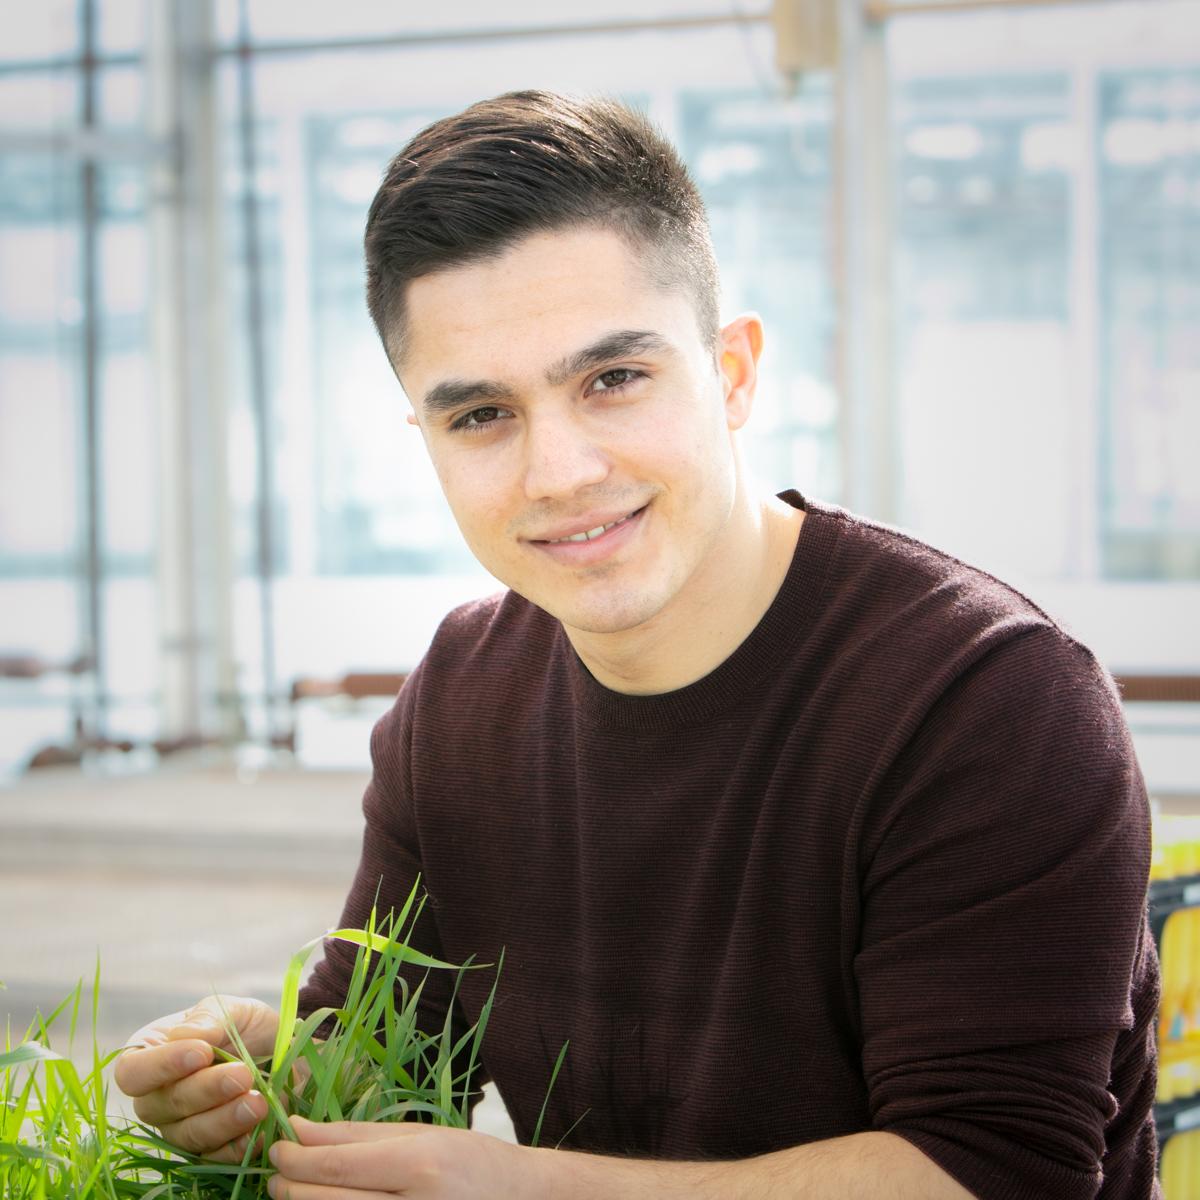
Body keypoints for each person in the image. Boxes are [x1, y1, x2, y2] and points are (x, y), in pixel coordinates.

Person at [116, 90, 1160, 1200]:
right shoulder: (461, 697)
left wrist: (527, 1190)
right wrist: (263, 1080)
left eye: (614, 379)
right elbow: (398, 1062)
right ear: (422, 440)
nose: (559, 471)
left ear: (736, 374)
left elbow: (990, 1169)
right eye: (481, 417)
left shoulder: (990, 700)